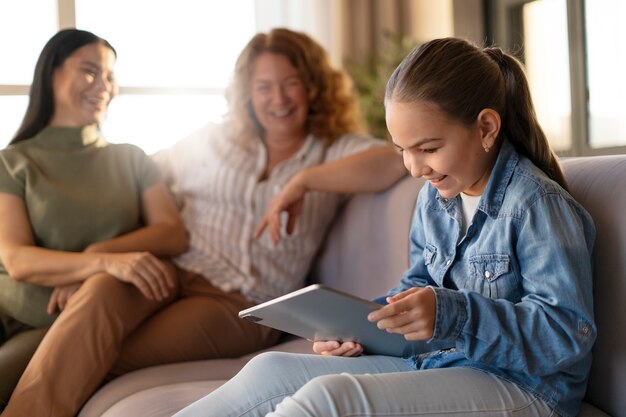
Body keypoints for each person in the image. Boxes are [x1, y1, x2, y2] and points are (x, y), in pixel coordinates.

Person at [174, 37, 597, 417]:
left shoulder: (536, 205)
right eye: (403, 151)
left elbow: (565, 334)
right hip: (443, 363)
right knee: (269, 370)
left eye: (428, 148)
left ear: (486, 127)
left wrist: (451, 314)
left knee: (329, 401)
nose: (414, 168)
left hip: (526, 388)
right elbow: (416, 288)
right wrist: (360, 330)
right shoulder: (436, 197)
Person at [1, 27, 405, 416]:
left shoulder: (333, 150)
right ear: (247, 93)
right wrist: (95, 260)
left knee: (99, 352)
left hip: (238, 302)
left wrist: (303, 181)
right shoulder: (213, 141)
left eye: (291, 83)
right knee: (102, 289)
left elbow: (392, 160)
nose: (278, 98)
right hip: (171, 271)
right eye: (264, 86)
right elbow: (135, 178)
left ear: (313, 86)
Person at [0, 29, 188, 413]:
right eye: (90, 71)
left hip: (83, 323)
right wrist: (100, 262)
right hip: (25, 318)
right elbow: (17, 259)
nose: (104, 85)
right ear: (50, 73)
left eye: (110, 76)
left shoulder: (130, 158)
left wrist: (100, 252)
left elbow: (172, 233)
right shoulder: (12, 162)